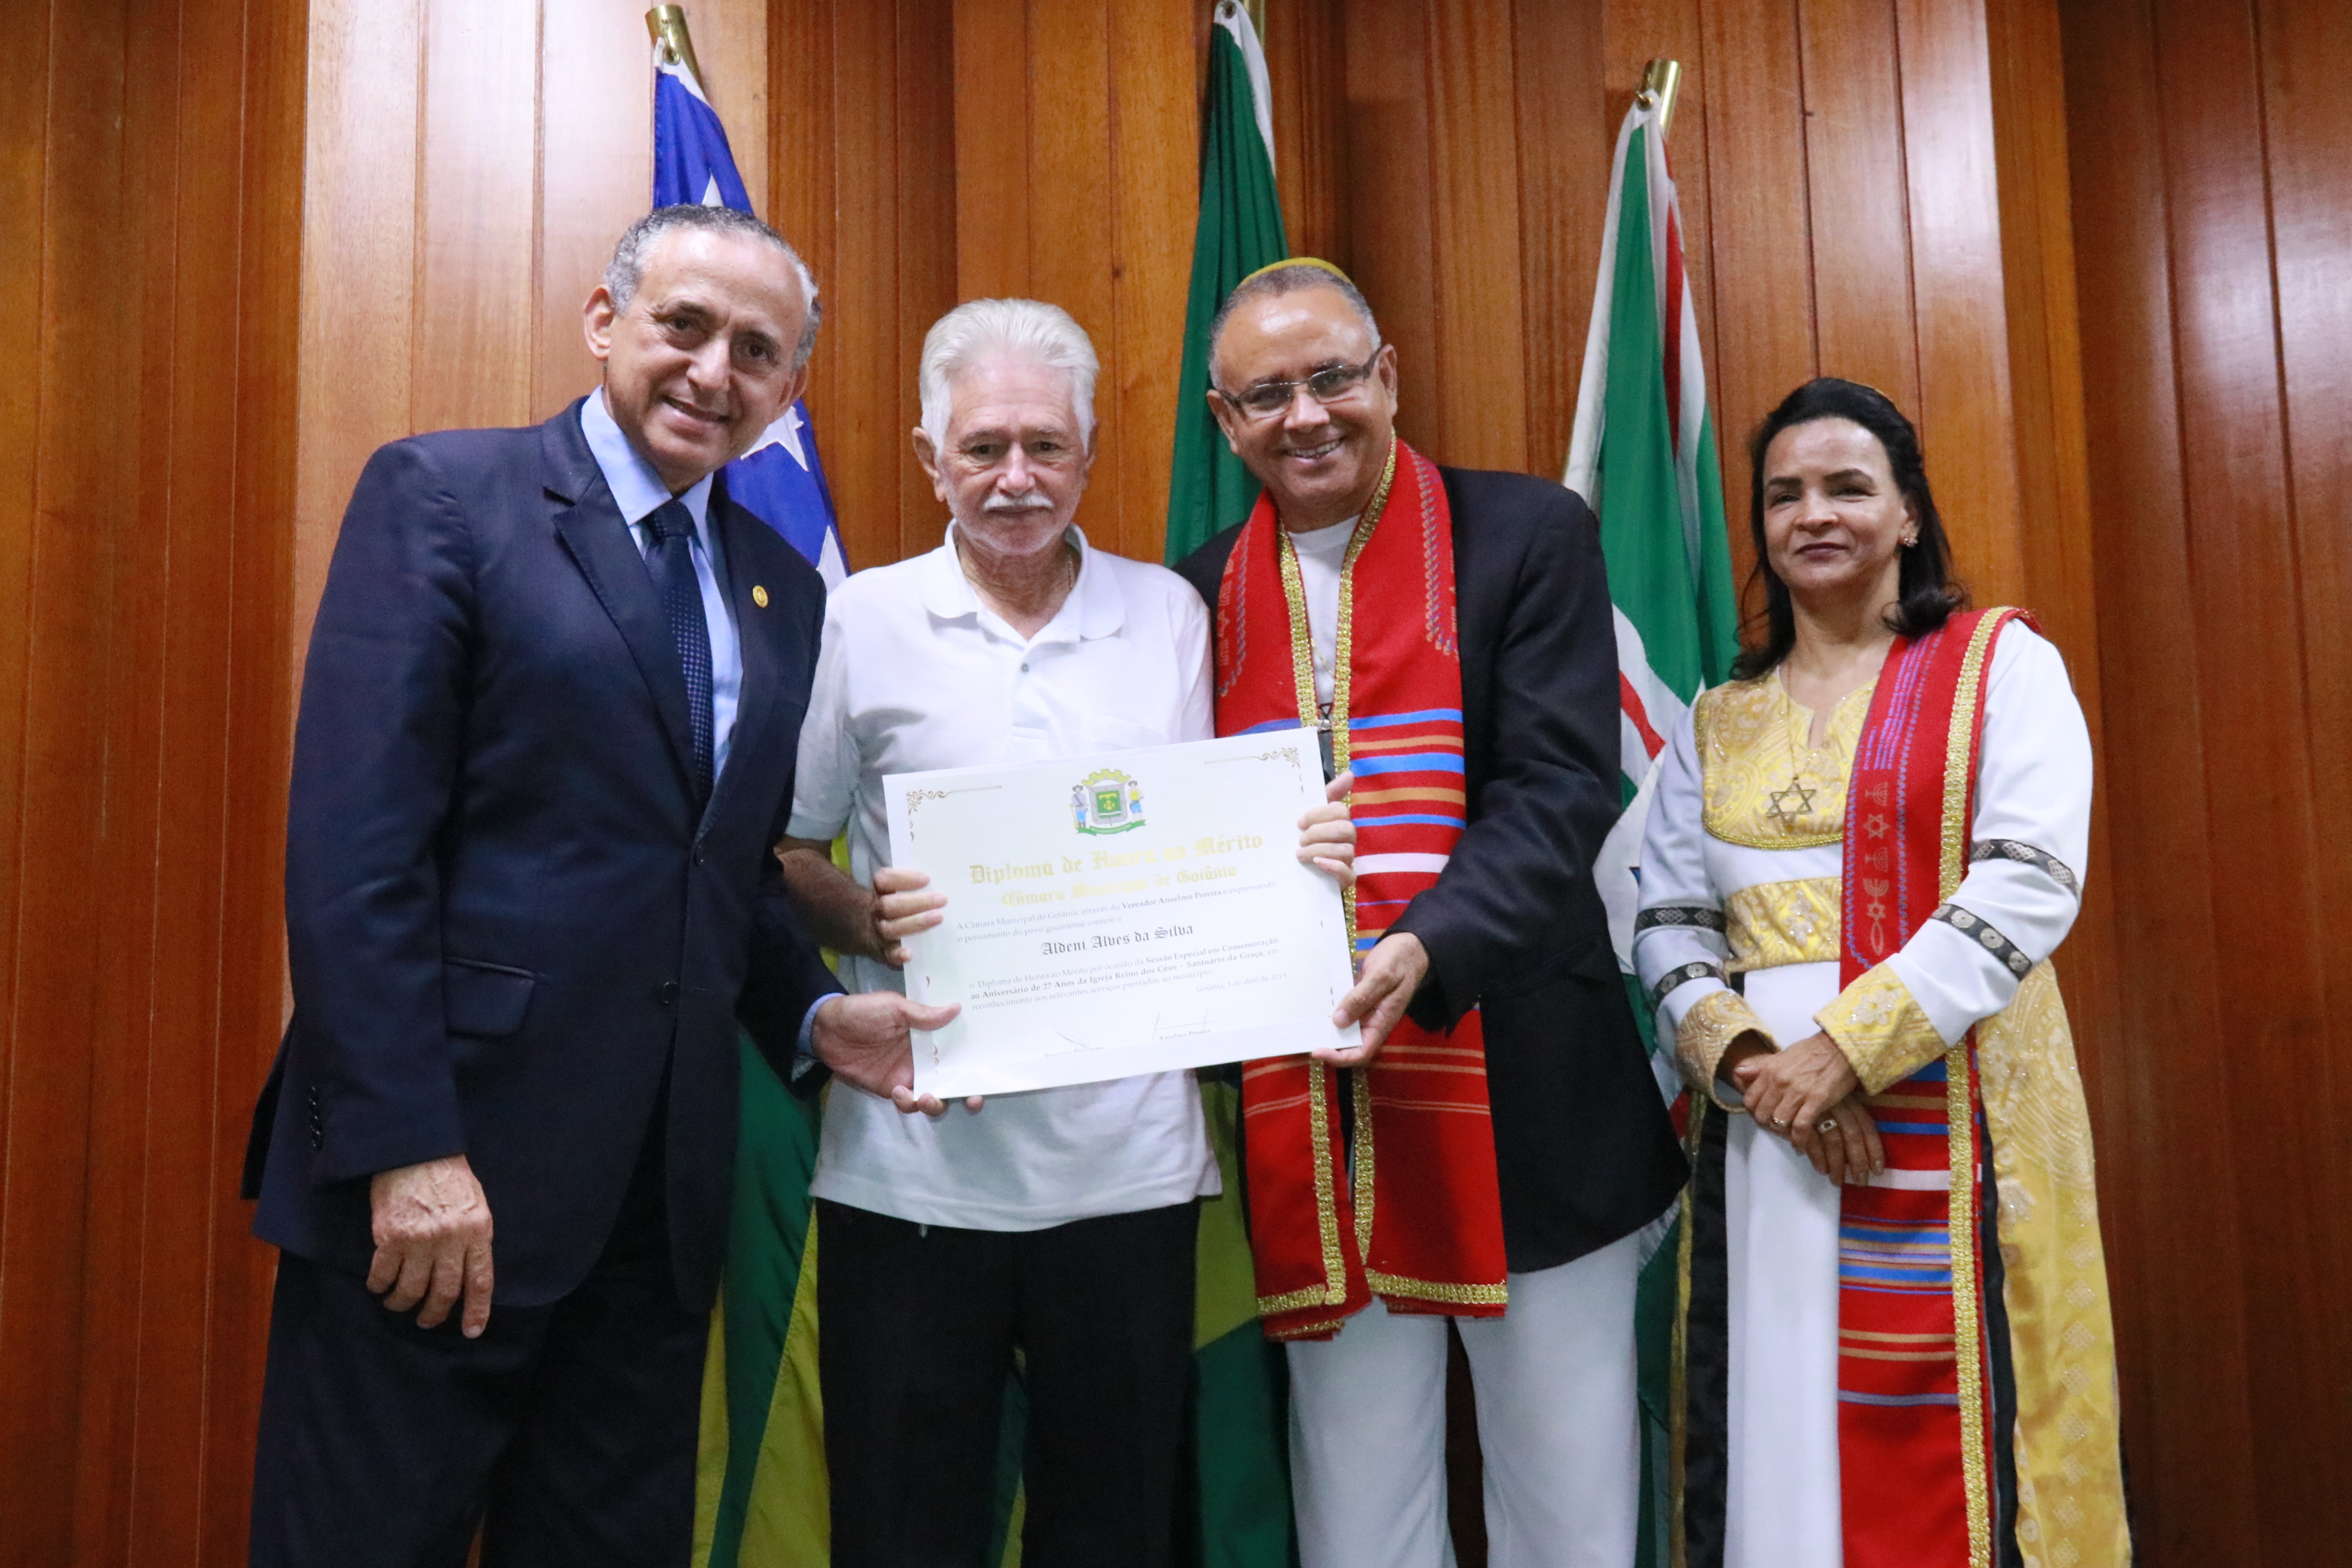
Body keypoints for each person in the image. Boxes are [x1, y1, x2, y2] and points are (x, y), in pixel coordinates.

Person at [240, 204, 948, 1568]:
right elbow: (357, 857)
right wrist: (405, 1149)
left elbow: (719, 869)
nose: (713, 371)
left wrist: (813, 1016)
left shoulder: (779, 590)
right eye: (685, 325)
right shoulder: (446, 498)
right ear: (604, 320)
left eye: (757, 351)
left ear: (789, 388)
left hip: (651, 1214)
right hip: (441, 1189)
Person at [774, 297, 1354, 1567]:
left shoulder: (1170, 615)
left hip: (1128, 1170)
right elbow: (793, 852)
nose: (1017, 478)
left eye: (1046, 446)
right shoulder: (861, 616)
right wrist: (866, 915)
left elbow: (1224, 847)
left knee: (1116, 1527)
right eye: (983, 448)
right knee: (901, 1527)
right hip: (911, 1166)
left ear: (1090, 453)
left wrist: (1297, 858)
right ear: (930, 458)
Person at [1173, 260, 1688, 1568]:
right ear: (1225, 421)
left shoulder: (1526, 533)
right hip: (1315, 1120)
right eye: (1267, 394)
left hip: (1528, 1095)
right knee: (1358, 1522)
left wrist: (1425, 944)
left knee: (1568, 1510)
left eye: (1332, 377)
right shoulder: (1196, 594)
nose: (1306, 415)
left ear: (1387, 377)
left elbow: (1561, 790)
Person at [1632, 378, 2129, 1566]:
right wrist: (1758, 1069)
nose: (1813, 513)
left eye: (1848, 487)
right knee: (1774, 1414)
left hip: (1956, 1115)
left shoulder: (2001, 667)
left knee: (1958, 1440)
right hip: (1766, 1141)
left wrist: (1847, 1052)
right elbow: (1668, 921)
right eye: (1784, 494)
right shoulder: (1718, 716)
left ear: (1909, 513)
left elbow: (2028, 879)